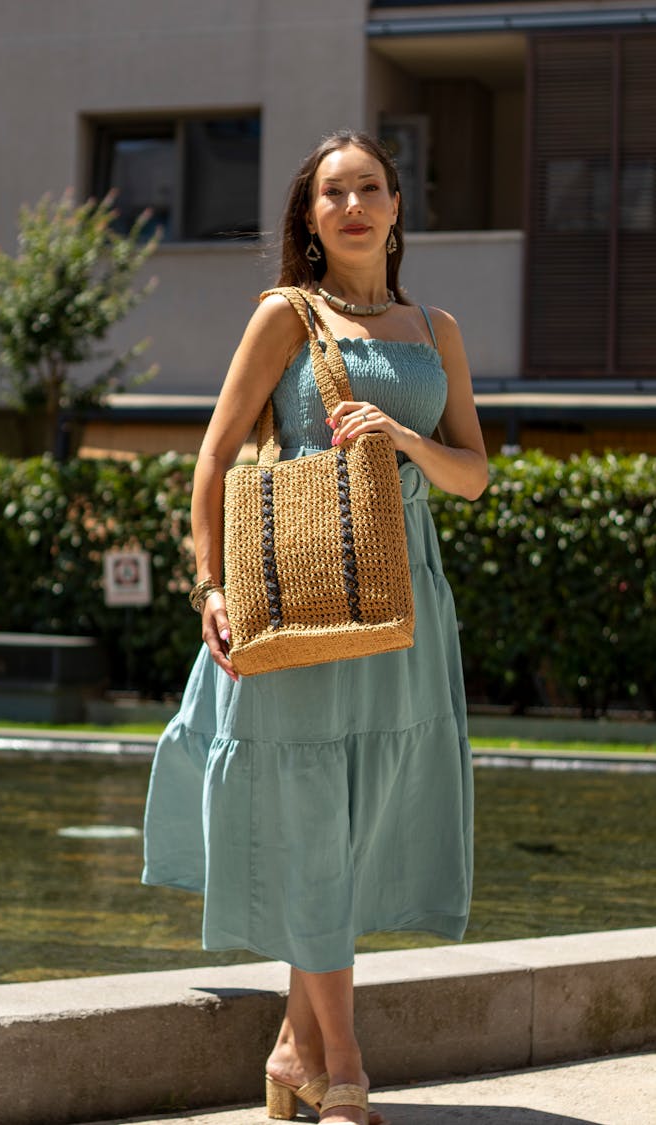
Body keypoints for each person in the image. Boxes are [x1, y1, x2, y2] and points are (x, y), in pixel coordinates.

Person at [143, 129, 488, 1125]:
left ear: (395, 209)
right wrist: (208, 587)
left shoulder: (440, 330)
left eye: (369, 189)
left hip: (402, 592)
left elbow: (472, 477)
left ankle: (295, 1049)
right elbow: (211, 461)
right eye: (332, 194)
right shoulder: (284, 318)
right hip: (295, 590)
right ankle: (343, 1067)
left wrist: (407, 438)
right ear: (309, 219)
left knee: (358, 815)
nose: (353, 206)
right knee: (308, 818)